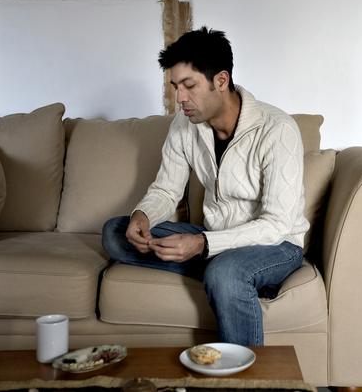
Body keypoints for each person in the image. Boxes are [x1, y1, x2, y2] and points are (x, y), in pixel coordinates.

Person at [101, 27, 309, 346]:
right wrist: (143, 216)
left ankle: (231, 283)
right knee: (115, 233)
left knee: (224, 273)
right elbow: (167, 190)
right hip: (214, 240)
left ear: (221, 81)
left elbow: (277, 224)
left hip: (277, 245)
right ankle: (233, 276)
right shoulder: (185, 125)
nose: (180, 98)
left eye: (189, 86)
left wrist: (202, 244)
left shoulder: (277, 129)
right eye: (175, 87)